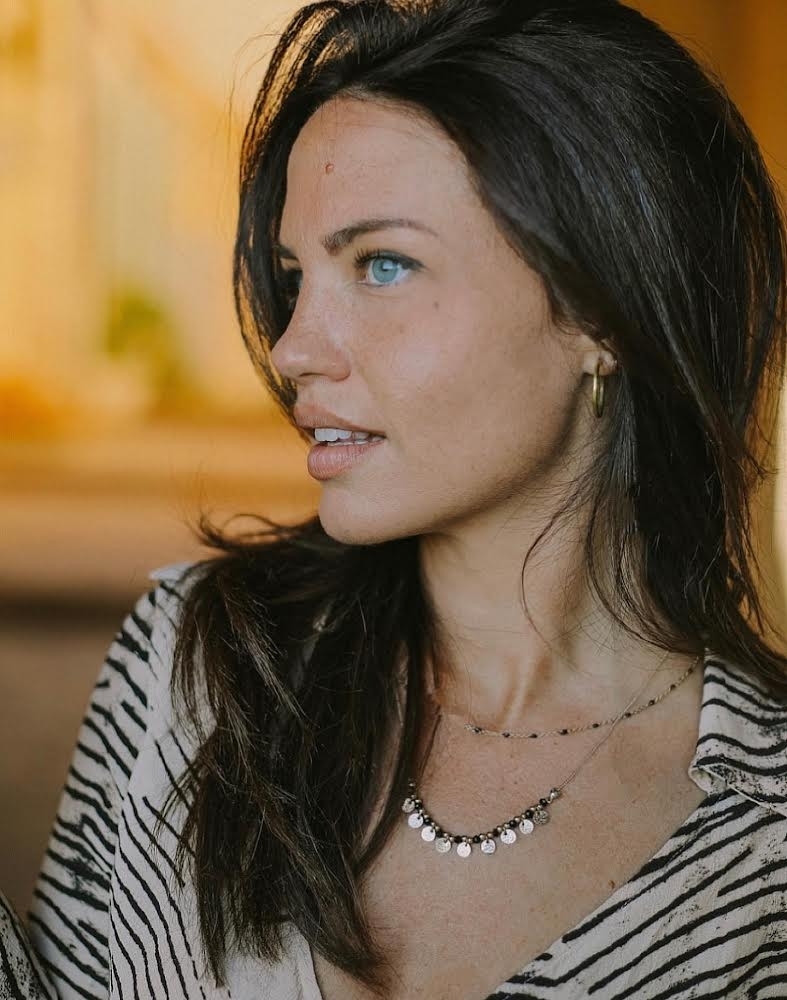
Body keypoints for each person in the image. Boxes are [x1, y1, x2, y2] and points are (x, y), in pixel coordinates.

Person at [3, 0, 787, 996]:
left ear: (601, 312)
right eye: (294, 276)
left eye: (382, 265)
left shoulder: (762, 837)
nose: (293, 348)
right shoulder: (195, 664)